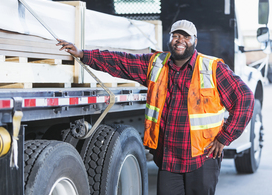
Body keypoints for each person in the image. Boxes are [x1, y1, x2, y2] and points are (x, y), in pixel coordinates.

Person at [56, 20, 254, 195]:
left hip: (203, 157)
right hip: (168, 158)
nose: (179, 40)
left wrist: (225, 137)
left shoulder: (212, 68)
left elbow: (245, 98)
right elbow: (121, 61)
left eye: (185, 36)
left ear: (194, 41)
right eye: (175, 35)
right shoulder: (156, 64)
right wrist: (83, 55)